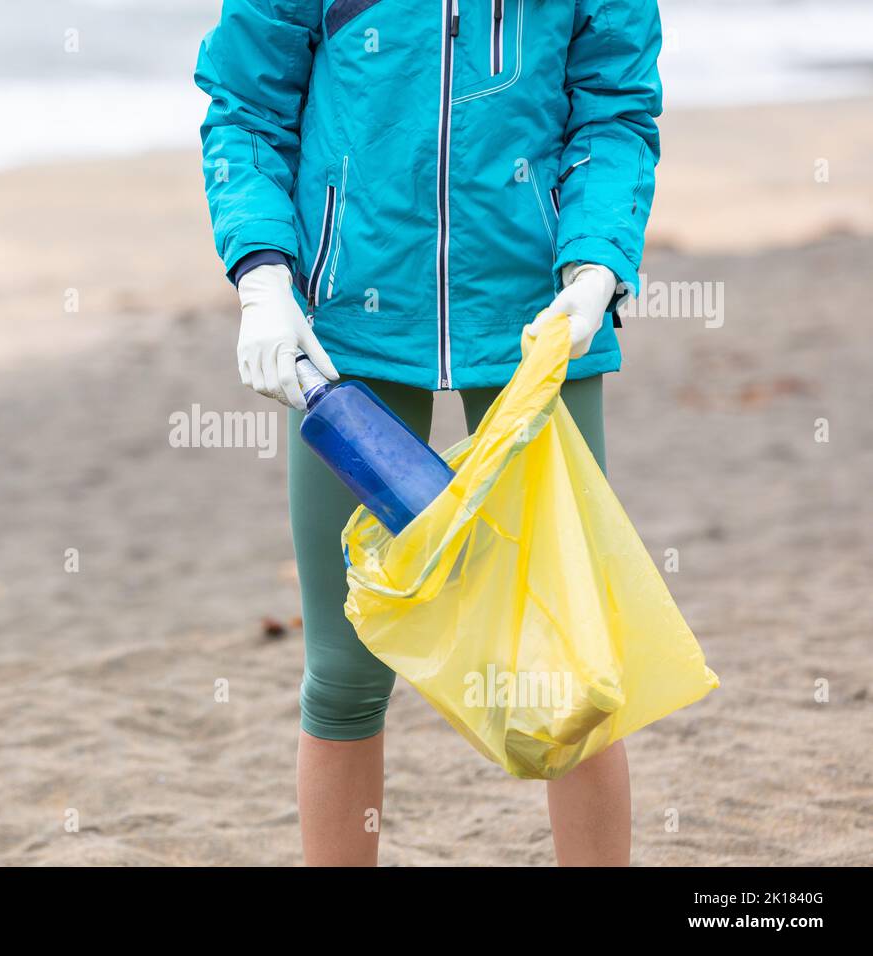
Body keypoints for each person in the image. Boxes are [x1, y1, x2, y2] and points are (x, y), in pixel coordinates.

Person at [195, 0, 662, 865]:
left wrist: (598, 264)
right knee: (344, 675)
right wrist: (262, 276)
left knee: (575, 672)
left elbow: (614, 108)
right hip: (350, 333)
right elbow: (246, 108)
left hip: (542, 324)